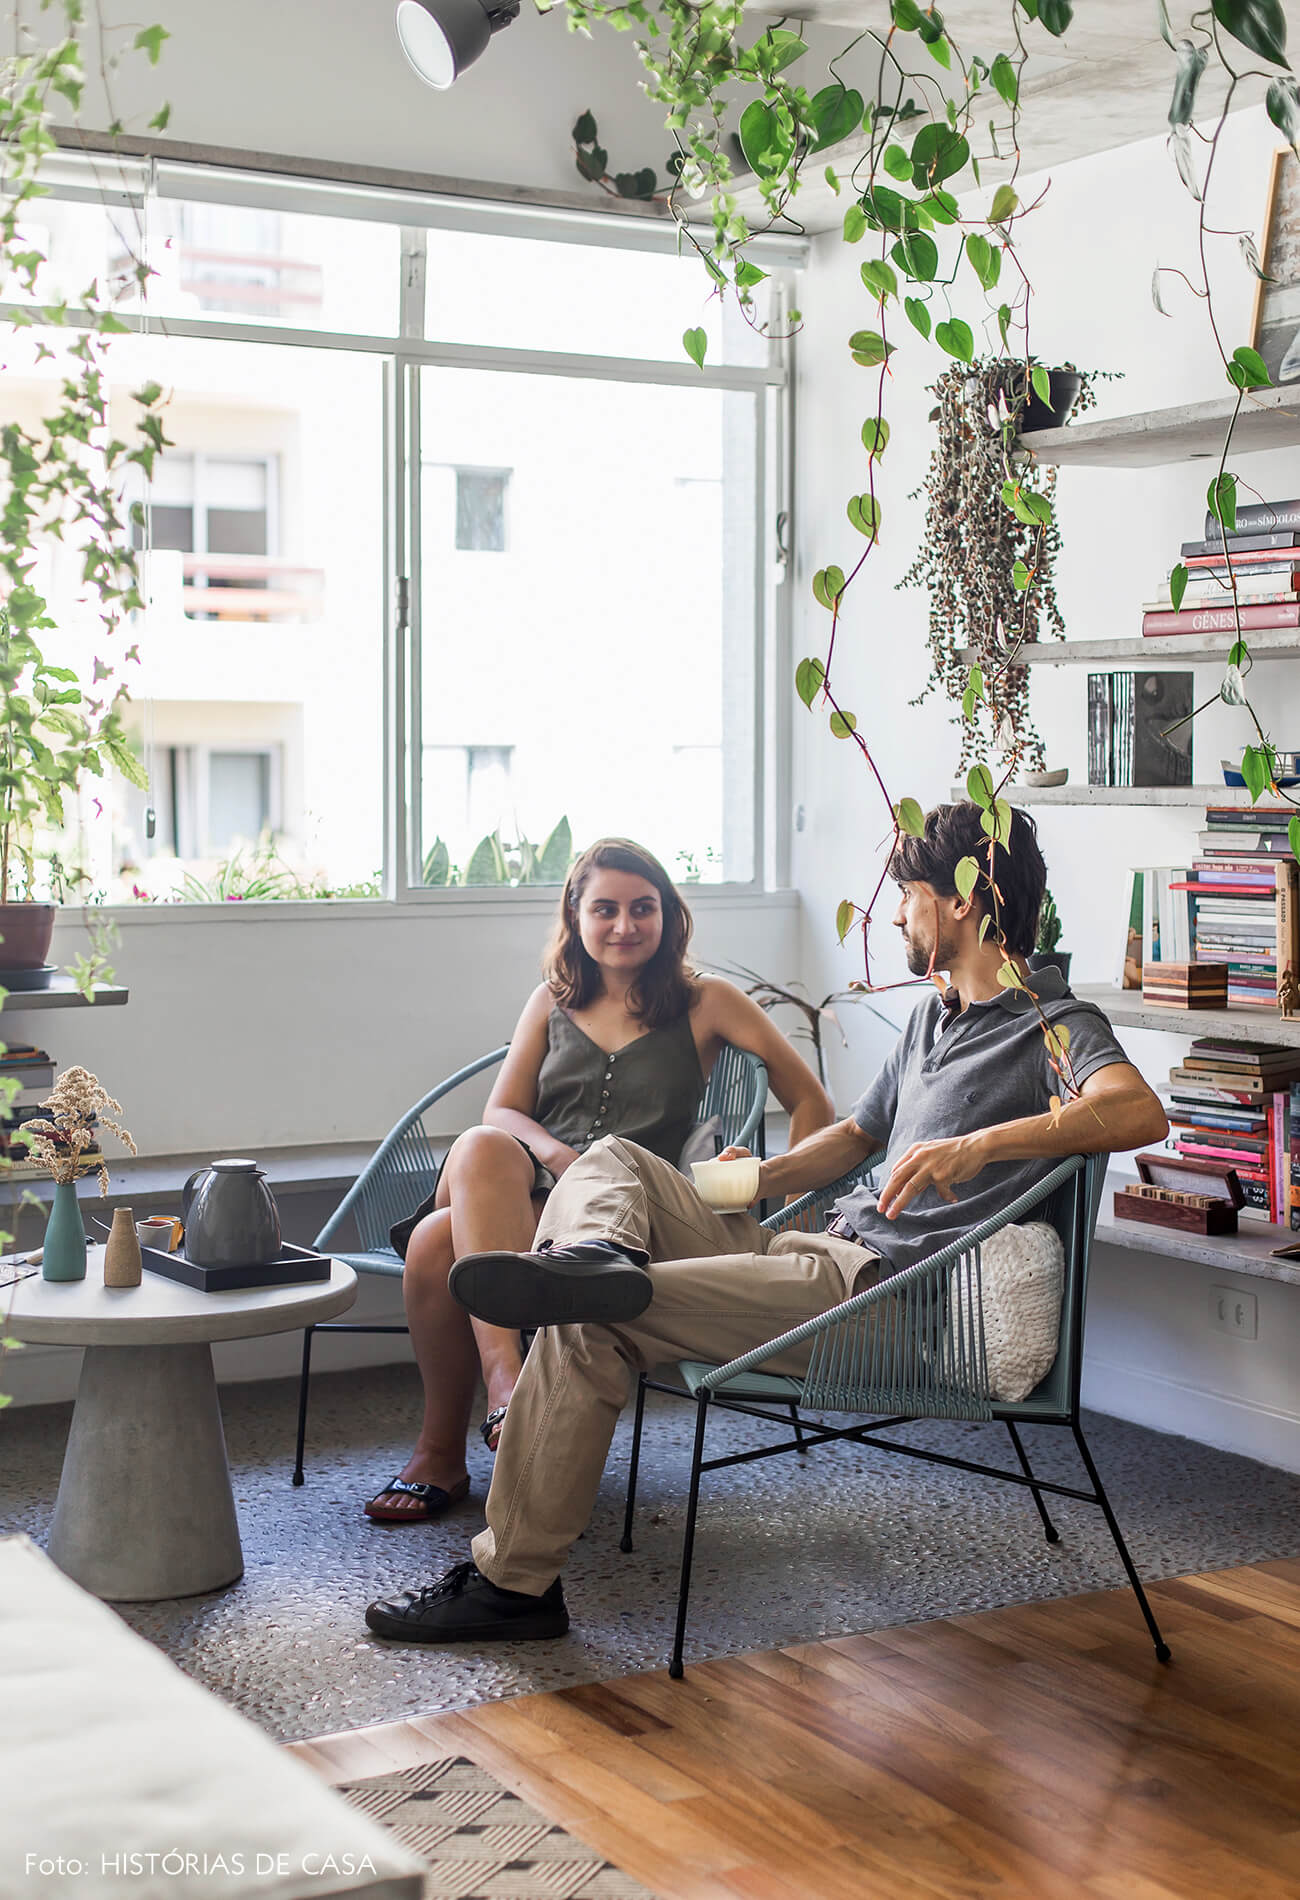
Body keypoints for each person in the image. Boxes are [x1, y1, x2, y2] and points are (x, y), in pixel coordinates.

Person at [363, 801, 1168, 1638]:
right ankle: (593, 1250)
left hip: (882, 1298)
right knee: (612, 1160)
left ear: (961, 902)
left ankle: (512, 1589)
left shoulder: (1055, 1025)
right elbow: (858, 1134)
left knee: (587, 1318)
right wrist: (756, 1179)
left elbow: (1138, 1111)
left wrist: (979, 1147)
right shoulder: (932, 1016)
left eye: (908, 894)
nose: (896, 911)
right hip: (811, 1253)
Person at [363, 835, 834, 1522]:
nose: (624, 926)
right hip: (528, 1192)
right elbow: (503, 1107)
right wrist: (557, 1157)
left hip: (623, 1220)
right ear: (576, 917)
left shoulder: (707, 1001)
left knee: (438, 1243)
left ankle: (443, 1453)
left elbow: (811, 1101)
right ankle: (507, 1385)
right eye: (605, 909)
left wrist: (791, 1210)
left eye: (643, 908)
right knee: (484, 1141)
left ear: (669, 916)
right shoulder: (551, 1000)